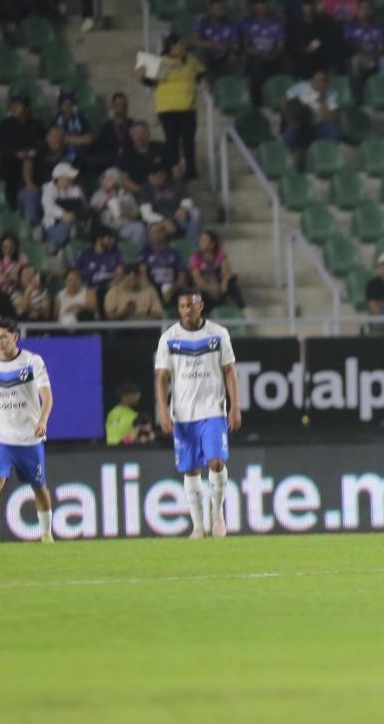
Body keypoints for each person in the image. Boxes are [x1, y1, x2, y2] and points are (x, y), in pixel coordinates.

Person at [155, 290, 242, 539]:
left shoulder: (218, 334)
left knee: (216, 461)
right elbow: (161, 377)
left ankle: (217, 515)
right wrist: (163, 410)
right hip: (182, 413)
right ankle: (197, 525)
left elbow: (230, 370)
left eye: (191, 305)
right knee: (191, 469)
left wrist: (234, 406)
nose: (186, 310)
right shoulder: (169, 338)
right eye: (182, 306)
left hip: (213, 409)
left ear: (200, 306)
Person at [0, 318, 54, 544]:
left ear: (15, 337)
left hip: (29, 439)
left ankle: (46, 533)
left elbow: (47, 396)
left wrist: (42, 421)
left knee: (39, 488)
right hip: (1, 439)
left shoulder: (32, 361)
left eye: (4, 337)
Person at [0, 94, 45, 212]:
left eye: (18, 106)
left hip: (31, 159)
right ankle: (11, 204)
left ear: (26, 109)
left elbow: (41, 144)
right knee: (8, 165)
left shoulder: (37, 125)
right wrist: (15, 153)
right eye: (13, 106)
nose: (14, 109)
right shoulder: (4, 124)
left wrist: (29, 152)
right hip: (11, 159)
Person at [240, 0, 286, 105]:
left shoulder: (277, 23)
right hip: (256, 57)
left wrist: (272, 55)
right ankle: (257, 103)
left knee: (287, 64)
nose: (261, 7)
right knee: (256, 67)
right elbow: (246, 46)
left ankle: (283, 100)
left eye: (263, 4)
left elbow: (281, 45)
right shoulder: (247, 23)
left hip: (274, 56)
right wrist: (260, 55)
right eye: (258, 4)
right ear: (253, 7)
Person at [139, 165, 200, 245]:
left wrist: (184, 209)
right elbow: (146, 214)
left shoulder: (176, 184)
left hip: (177, 219)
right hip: (157, 220)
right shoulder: (145, 188)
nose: (154, 179)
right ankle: (149, 254)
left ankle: (194, 249)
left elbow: (187, 201)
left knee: (193, 216)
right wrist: (163, 221)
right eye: (152, 176)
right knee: (153, 229)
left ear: (164, 175)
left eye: (158, 175)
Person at [281, 70, 341, 149]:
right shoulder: (301, 87)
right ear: (312, 80)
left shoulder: (332, 93)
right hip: (300, 121)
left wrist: (322, 101)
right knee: (290, 133)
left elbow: (331, 118)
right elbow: (283, 101)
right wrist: (289, 119)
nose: (319, 84)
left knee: (333, 131)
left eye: (323, 81)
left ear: (327, 84)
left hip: (319, 123)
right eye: (316, 80)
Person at [288, 0, 345, 80]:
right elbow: (292, 43)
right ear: (301, 8)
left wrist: (317, 45)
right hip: (302, 55)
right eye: (305, 6)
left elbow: (325, 39)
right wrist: (304, 49)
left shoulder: (323, 23)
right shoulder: (294, 24)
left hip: (320, 54)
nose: (308, 9)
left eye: (310, 6)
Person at [91, 167, 146, 247]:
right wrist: (103, 205)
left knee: (139, 227)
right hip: (104, 228)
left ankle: (136, 254)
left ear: (116, 181)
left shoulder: (127, 196)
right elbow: (90, 210)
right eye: (104, 180)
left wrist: (124, 213)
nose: (105, 182)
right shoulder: (98, 195)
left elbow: (136, 215)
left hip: (122, 227)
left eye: (109, 180)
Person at [191, 230, 244, 312]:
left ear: (212, 244)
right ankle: (199, 315)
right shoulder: (196, 257)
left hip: (219, 285)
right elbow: (197, 278)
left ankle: (241, 308)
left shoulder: (220, 254)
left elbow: (226, 271)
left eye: (204, 240)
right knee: (196, 293)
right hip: (205, 287)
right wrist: (209, 287)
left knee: (232, 281)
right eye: (201, 240)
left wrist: (224, 282)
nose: (201, 242)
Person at [343, 0, 384, 89]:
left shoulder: (378, 25)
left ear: (372, 11)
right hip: (357, 56)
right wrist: (361, 57)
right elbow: (348, 45)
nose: (365, 11)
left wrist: (373, 57)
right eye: (362, 8)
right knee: (354, 62)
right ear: (358, 10)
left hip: (374, 56)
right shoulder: (350, 25)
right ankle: (358, 92)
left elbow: (381, 46)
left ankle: (381, 90)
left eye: (368, 8)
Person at [41, 161, 88, 251]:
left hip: (76, 222)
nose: (70, 181)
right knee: (66, 223)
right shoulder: (49, 189)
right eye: (68, 178)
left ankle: (52, 245)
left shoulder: (76, 189)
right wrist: (63, 214)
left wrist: (74, 215)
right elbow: (48, 206)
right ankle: (54, 244)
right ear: (59, 178)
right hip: (53, 225)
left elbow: (83, 205)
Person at [194, 0, 239, 78]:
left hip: (224, 55)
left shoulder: (230, 24)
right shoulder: (203, 22)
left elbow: (235, 46)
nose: (219, 11)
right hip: (208, 53)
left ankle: (226, 82)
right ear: (211, 10)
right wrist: (213, 45)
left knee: (233, 58)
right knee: (198, 53)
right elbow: (195, 41)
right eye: (216, 9)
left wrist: (225, 46)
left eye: (222, 8)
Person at [142, 227, 188, 306]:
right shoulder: (145, 252)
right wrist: (151, 289)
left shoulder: (175, 253)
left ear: (165, 234)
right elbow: (142, 274)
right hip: (153, 287)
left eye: (159, 231)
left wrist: (174, 287)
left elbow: (182, 276)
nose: (157, 235)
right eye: (154, 232)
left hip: (171, 286)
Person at [75, 230, 122, 305]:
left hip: (110, 289)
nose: (111, 240)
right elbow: (74, 271)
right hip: (90, 290)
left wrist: (110, 286)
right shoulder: (86, 254)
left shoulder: (115, 253)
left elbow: (120, 273)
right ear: (99, 239)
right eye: (108, 238)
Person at [93, 92, 135, 167]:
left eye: (124, 104)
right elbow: (99, 149)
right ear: (113, 106)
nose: (121, 107)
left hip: (131, 164)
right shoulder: (106, 127)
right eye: (118, 105)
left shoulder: (134, 125)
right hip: (110, 165)